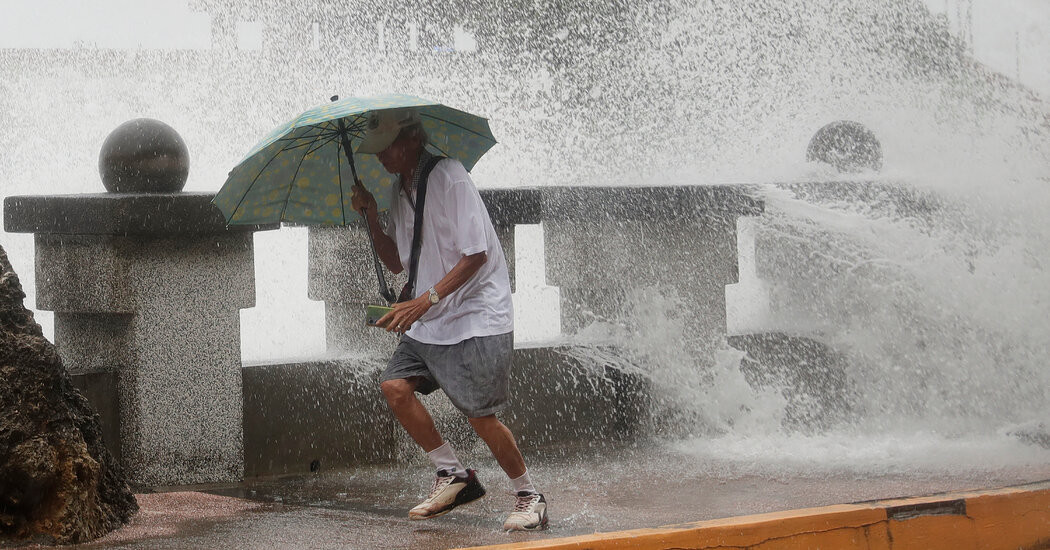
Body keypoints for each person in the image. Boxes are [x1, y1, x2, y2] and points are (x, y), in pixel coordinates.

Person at [350, 108, 548, 532]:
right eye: (376, 151)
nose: (380, 157)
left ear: (411, 140)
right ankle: (454, 474)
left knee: (480, 416)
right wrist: (368, 213)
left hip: (477, 315)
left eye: (385, 148)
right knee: (395, 387)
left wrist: (425, 301)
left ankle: (529, 494)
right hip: (432, 318)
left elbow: (475, 254)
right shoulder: (396, 190)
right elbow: (398, 263)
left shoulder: (450, 176)